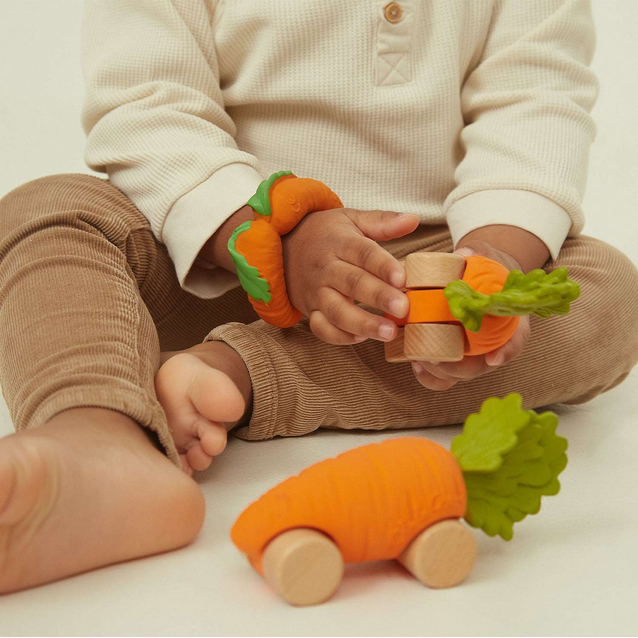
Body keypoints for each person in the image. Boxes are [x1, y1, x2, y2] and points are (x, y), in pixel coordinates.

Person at [0, 0, 636, 595]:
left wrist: (494, 261)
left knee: (606, 293)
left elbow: (535, 102)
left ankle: (241, 373)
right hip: (204, 246)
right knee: (50, 210)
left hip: (412, 292)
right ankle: (95, 436)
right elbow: (147, 100)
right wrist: (277, 230)